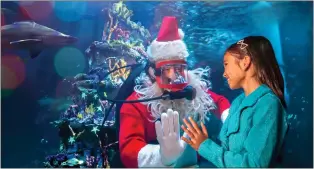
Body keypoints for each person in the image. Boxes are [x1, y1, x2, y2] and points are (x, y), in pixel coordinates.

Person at [118, 16, 231, 168]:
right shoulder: (135, 105)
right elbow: (128, 150)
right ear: (153, 72)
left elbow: (219, 102)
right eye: (167, 71)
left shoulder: (194, 92)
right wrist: (161, 156)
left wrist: (231, 119)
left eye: (179, 70)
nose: (174, 77)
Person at [181, 36, 289, 168]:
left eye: (226, 64)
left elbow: (254, 165)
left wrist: (205, 146)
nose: (224, 74)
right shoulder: (238, 102)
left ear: (245, 62)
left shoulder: (269, 105)